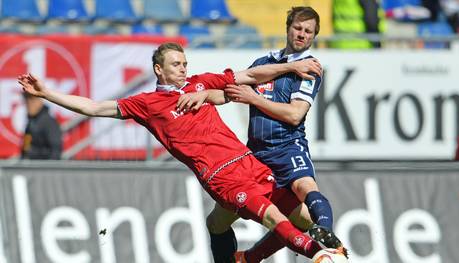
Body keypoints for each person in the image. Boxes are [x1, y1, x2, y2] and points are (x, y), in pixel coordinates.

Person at [17, 42, 336, 262]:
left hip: (246, 161)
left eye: (185, 63)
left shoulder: (200, 84)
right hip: (220, 177)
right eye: (176, 64)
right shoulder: (147, 104)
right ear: (158, 70)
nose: (183, 69)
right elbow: (94, 107)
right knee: (271, 214)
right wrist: (46, 92)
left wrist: (291, 66)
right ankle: (317, 254)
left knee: (234, 224)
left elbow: (249, 76)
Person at [177, 6, 347, 262]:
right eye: (298, 28)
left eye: (308, 31)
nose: (302, 34)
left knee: (305, 191)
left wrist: (254, 99)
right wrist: (203, 96)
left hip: (288, 147)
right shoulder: (263, 64)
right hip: (254, 156)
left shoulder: (310, 69)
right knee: (216, 222)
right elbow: (229, 92)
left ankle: (328, 239)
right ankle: (242, 259)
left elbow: (294, 115)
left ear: (314, 36)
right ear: (288, 28)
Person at [21, 92, 62, 159]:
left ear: (40, 101)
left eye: (32, 100)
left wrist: (32, 153)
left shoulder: (49, 122)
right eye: (26, 100)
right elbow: (26, 148)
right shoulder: (30, 123)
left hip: (44, 168)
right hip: (32, 167)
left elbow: (56, 152)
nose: (28, 103)